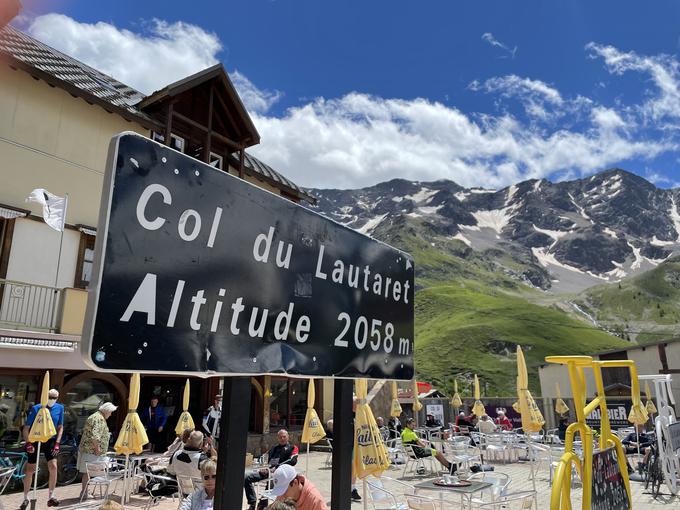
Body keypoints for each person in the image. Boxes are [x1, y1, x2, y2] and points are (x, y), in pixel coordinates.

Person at [19, 388, 64, 509]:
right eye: (50, 397)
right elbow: (26, 428)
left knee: (53, 466)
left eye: (55, 398)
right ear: (45, 396)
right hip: (35, 439)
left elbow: (60, 427)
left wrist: (58, 443)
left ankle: (51, 496)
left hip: (50, 439)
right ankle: (25, 497)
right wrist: (28, 443)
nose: (52, 400)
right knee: (30, 469)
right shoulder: (36, 408)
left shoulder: (60, 408)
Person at [244, 429, 299, 510]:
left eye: (284, 437)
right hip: (267, 471)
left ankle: (262, 505)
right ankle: (252, 502)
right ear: (278, 438)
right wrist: (262, 467)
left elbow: (293, 460)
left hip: (280, 474)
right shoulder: (274, 448)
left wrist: (276, 468)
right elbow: (263, 457)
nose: (282, 438)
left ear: (288, 437)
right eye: (280, 437)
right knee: (246, 477)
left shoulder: (292, 448)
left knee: (272, 481)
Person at [78, 402, 118, 499]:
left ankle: (84, 492)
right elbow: (95, 436)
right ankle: (85, 493)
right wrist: (97, 449)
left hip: (87, 450)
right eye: (111, 412)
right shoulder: (99, 419)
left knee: (86, 473)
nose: (111, 414)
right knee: (92, 473)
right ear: (106, 411)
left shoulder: (95, 416)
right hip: (92, 451)